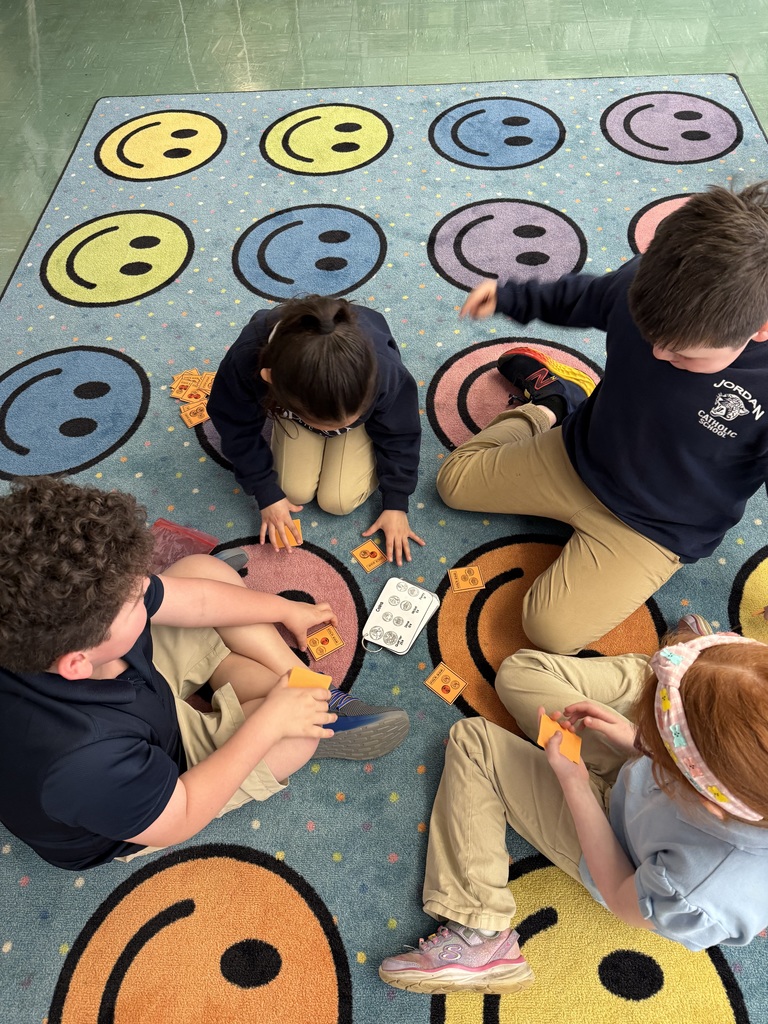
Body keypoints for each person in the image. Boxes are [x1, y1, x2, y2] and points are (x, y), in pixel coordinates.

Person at [0, 477, 409, 871]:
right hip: (153, 787)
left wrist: (284, 609)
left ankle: (307, 688)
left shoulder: (39, 629)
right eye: (134, 600)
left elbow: (192, 600)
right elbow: (182, 815)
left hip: (132, 698)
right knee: (294, 735)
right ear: (78, 661)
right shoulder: (85, 764)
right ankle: (293, 702)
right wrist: (268, 723)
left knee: (200, 570)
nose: (146, 589)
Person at [437, 182, 768, 654]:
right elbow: (586, 297)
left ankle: (555, 399)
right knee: (453, 483)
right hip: (578, 454)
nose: (656, 353)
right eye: (649, 334)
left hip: (654, 527)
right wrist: (513, 298)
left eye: (682, 354)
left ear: (760, 329)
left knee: (550, 631)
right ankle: (552, 400)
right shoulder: (646, 282)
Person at [379, 620, 768, 995]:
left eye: (662, 737)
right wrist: (637, 741)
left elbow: (619, 893)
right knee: (520, 672)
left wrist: (575, 783)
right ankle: (681, 694)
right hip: (645, 782)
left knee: (474, 741)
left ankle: (481, 933)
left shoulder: (699, 885)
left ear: (703, 796)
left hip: (618, 848)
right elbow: (672, 763)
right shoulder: (719, 780)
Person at [208, 295, 424, 567]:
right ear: (270, 378)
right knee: (293, 491)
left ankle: (340, 420)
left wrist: (396, 501)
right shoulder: (246, 361)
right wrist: (265, 492)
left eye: (345, 422)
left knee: (338, 501)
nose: (336, 431)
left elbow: (401, 432)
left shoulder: (384, 371)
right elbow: (235, 425)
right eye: (328, 426)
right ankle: (323, 419)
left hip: (334, 401)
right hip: (297, 396)